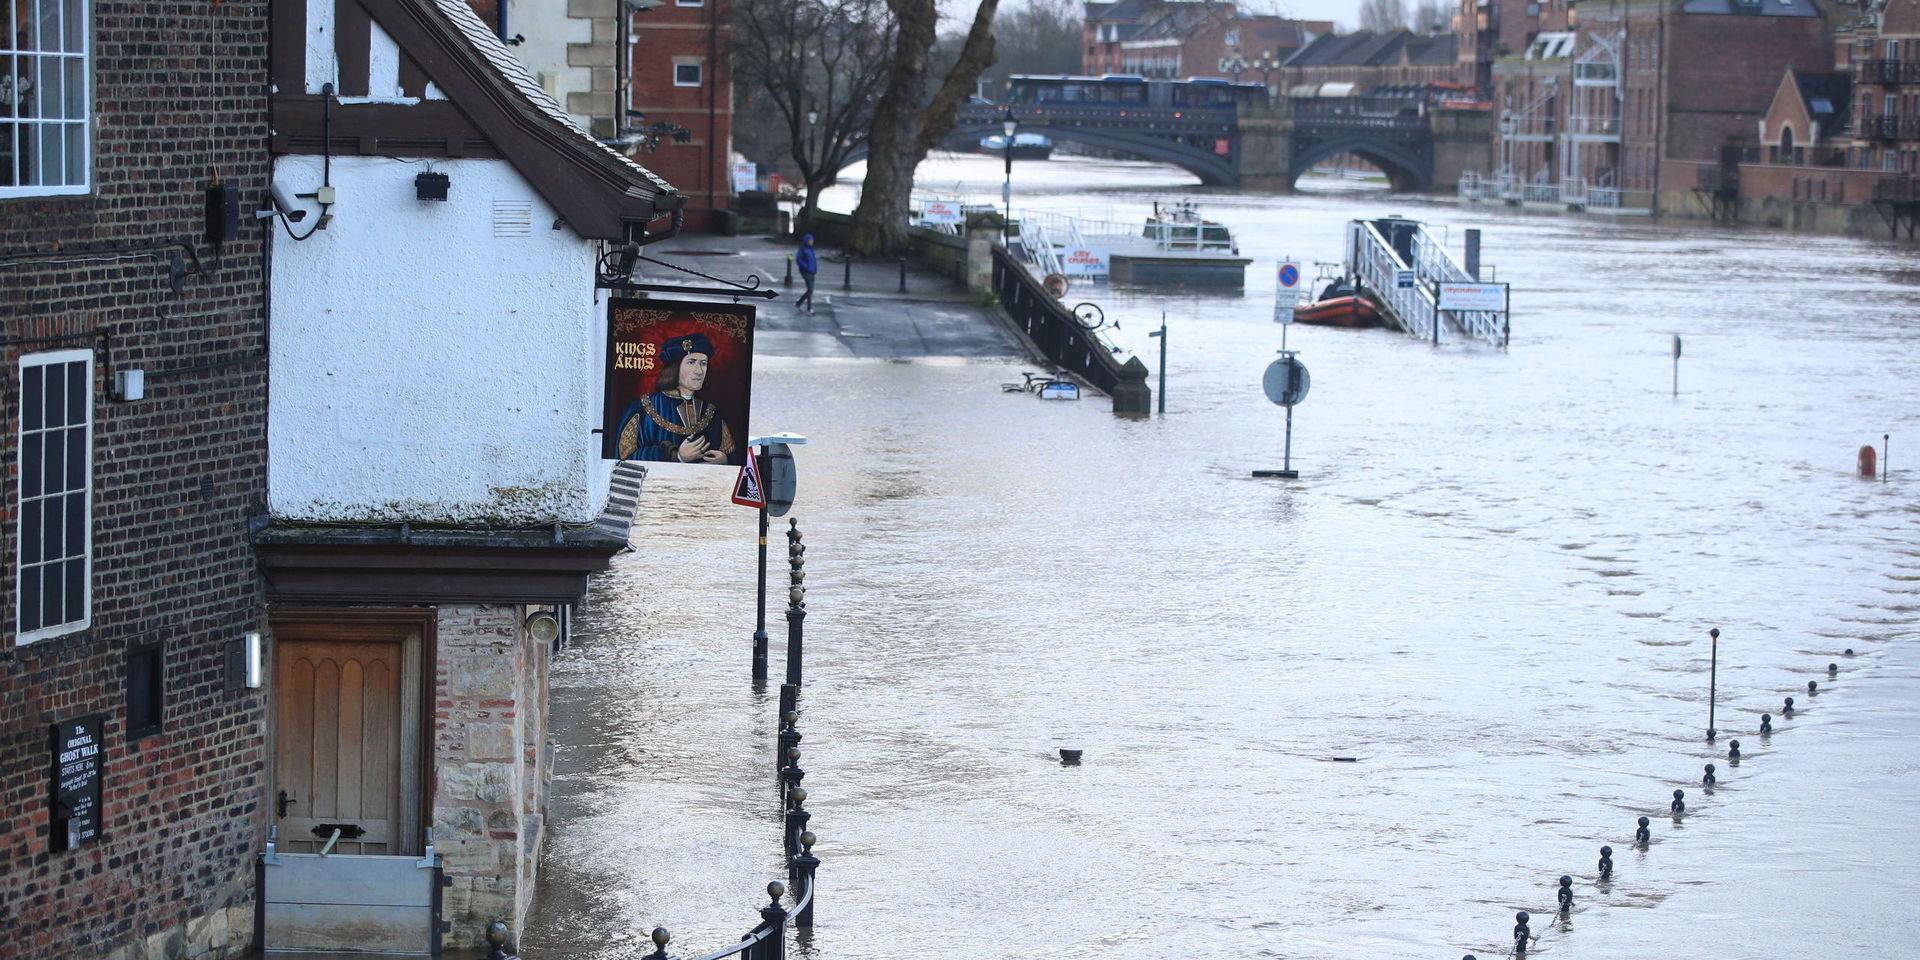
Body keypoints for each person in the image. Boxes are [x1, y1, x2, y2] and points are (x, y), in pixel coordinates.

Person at [614, 333, 737, 464]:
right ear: (675, 368)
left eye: (703, 363)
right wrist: (677, 456)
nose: (699, 371)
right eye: (691, 362)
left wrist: (725, 460)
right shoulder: (641, 408)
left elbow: (732, 453)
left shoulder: (712, 411)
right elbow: (623, 458)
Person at [794, 233, 819, 314]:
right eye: (810, 240)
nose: (812, 242)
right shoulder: (803, 249)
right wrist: (806, 266)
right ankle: (809, 308)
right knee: (810, 290)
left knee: (810, 290)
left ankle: (799, 303)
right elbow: (798, 259)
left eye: (812, 240)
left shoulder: (811, 249)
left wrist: (814, 269)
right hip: (806, 272)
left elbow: (813, 261)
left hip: (812, 272)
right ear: (807, 241)